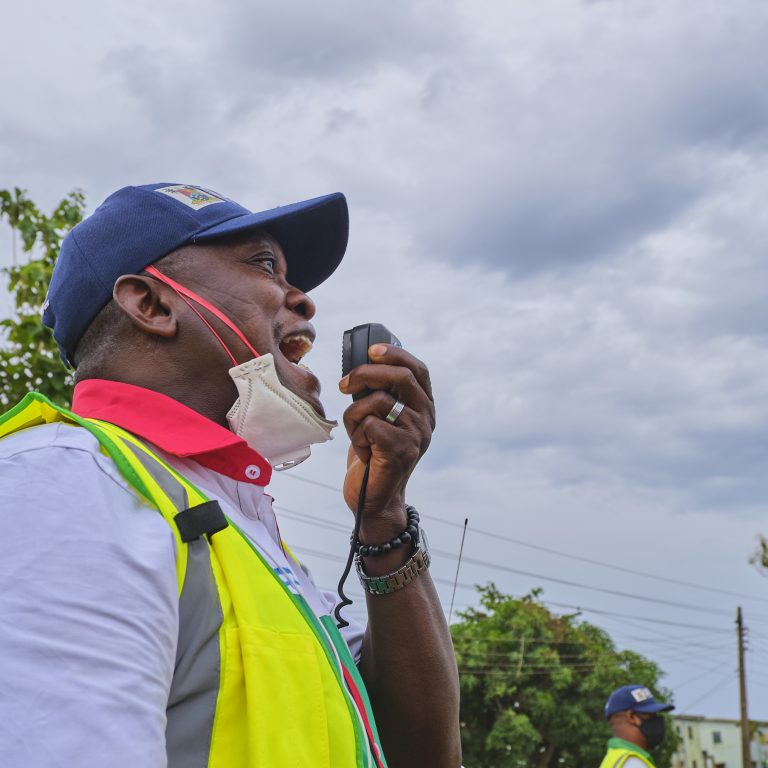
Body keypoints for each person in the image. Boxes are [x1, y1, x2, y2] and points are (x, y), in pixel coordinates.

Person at [0, 183, 462, 767]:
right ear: (152, 304)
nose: (304, 300)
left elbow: (420, 755)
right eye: (266, 265)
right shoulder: (62, 486)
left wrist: (384, 518)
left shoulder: (246, 533)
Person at [600, 684, 674, 768]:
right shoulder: (633, 763)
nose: (656, 720)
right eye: (651, 715)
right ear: (631, 717)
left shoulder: (614, 759)